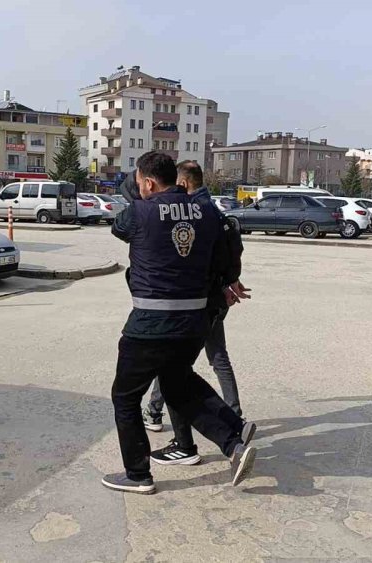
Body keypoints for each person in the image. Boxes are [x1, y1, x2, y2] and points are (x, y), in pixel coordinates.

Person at [104, 152, 257, 495]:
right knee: (179, 384)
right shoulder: (206, 210)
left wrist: (137, 196)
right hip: (194, 323)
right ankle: (234, 440)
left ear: (147, 182)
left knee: (125, 397)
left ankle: (137, 474)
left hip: (149, 324)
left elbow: (119, 227)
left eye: (140, 183)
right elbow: (222, 251)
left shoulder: (141, 211)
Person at [143, 161, 249, 466]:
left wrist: (223, 283)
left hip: (198, 300)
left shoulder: (195, 209)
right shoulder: (210, 208)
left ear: (183, 183)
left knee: (175, 369)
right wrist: (230, 281)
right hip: (213, 296)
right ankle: (234, 419)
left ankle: (204, 434)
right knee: (209, 360)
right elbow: (222, 253)